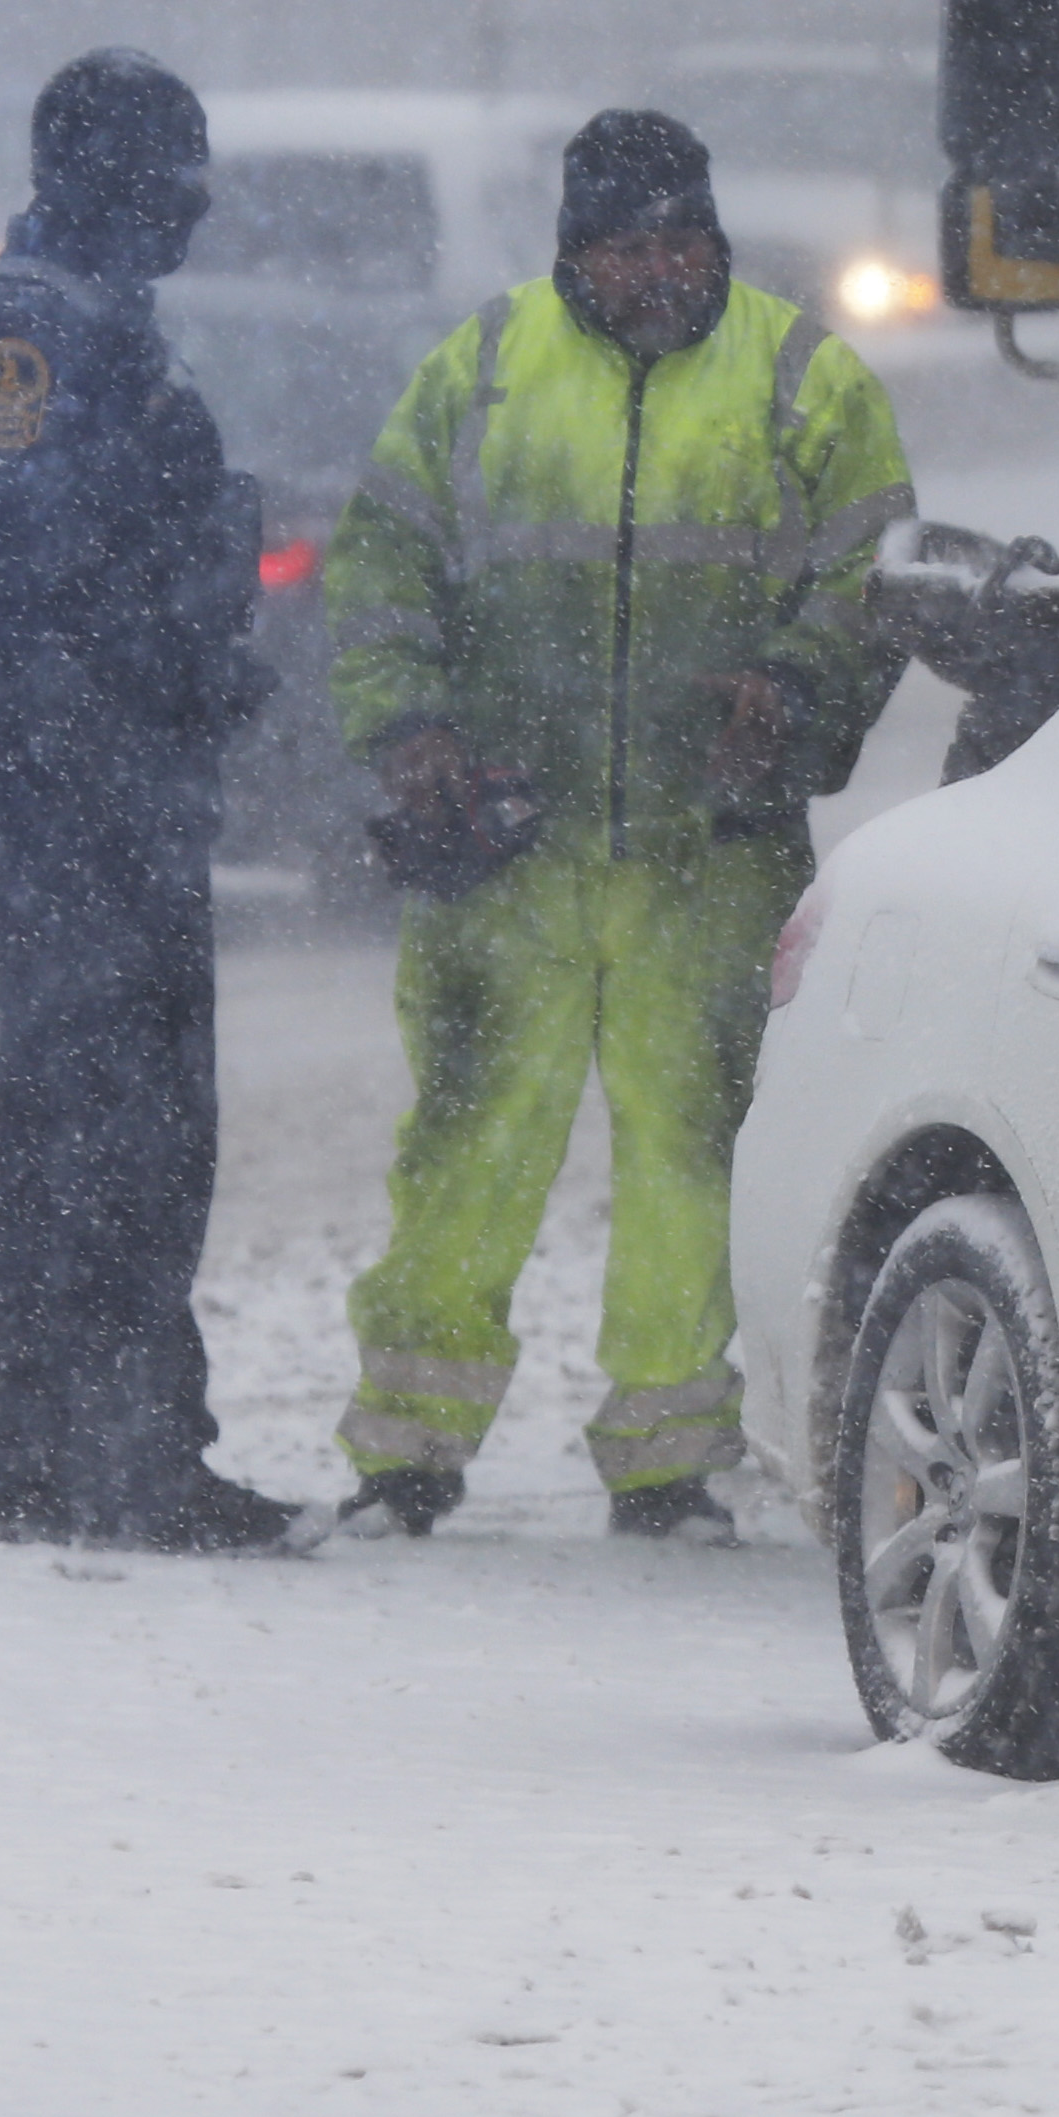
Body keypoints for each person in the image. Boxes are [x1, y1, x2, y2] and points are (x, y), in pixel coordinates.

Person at [323, 111, 913, 1543]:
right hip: (506, 849)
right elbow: (384, 563)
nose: (656, 270)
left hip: (707, 851)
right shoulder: (480, 371)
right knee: (469, 1146)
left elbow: (869, 576)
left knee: (693, 1155)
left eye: (679, 240)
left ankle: (666, 1461)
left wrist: (791, 691)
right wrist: (409, 727)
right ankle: (406, 1449)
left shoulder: (800, 379)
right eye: (623, 244)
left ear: (715, 239)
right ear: (571, 252)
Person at [0, 47, 308, 1555]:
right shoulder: (30, 329)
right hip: (77, 784)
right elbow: (27, 569)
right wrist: (148, 674)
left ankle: (83, 1443)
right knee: (101, 1130)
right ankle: (98, 1451)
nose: (191, 215)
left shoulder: (102, 321)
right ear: (101, 180)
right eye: (169, 184)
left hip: (117, 776)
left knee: (128, 1121)